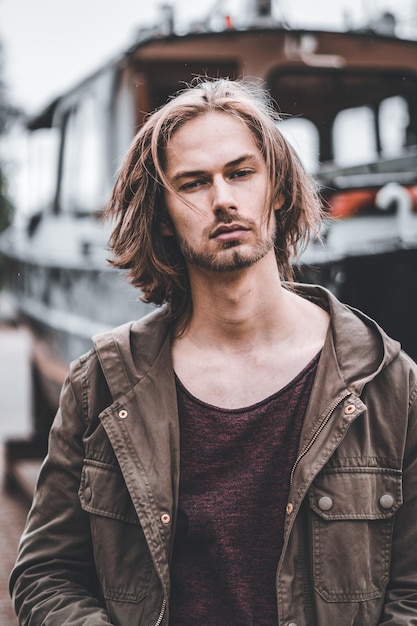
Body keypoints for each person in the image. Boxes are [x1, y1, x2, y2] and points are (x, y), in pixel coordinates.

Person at [9, 78, 417, 626]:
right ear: (163, 218)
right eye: (194, 183)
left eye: (241, 173)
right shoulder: (103, 385)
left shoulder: (389, 385)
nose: (223, 199)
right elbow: (46, 575)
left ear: (278, 190)